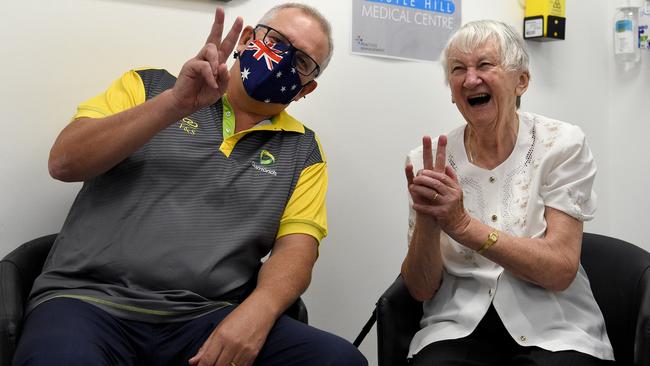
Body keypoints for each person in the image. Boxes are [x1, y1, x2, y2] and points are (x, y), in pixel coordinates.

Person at [13, 4, 367, 366]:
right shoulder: (148, 86)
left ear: (306, 89)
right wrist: (174, 104)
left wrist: (257, 313)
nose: (281, 61)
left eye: (301, 62)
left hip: (206, 318)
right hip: (88, 303)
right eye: (276, 42)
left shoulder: (303, 149)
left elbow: (297, 250)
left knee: (340, 359)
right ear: (247, 39)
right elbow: (64, 162)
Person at [401, 20, 614, 365]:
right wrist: (428, 221)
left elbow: (560, 270)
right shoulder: (429, 163)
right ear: (453, 93)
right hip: (458, 328)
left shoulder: (561, 145)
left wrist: (463, 226)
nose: (471, 79)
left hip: (555, 327)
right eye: (458, 69)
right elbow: (421, 290)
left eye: (485, 65)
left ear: (521, 81)